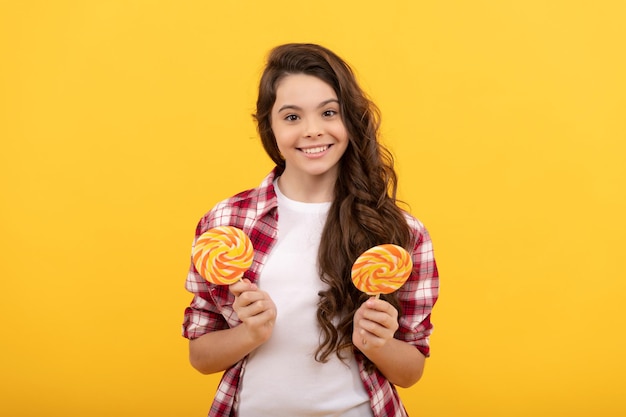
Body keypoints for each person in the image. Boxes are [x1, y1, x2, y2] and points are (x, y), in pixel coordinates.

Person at [182, 43, 439, 417]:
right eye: (291, 117)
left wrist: (379, 342)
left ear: (350, 119)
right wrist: (249, 333)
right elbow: (200, 357)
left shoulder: (399, 233)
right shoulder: (226, 223)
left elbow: (411, 371)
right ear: (268, 126)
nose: (313, 130)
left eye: (329, 112)